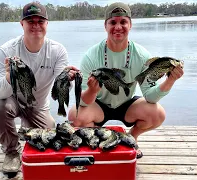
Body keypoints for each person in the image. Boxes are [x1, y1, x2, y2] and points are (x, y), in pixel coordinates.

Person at [68, 2, 184, 159]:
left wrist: (170, 80)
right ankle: (97, 139)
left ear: (130, 25)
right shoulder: (91, 56)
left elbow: (150, 96)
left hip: (127, 105)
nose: (118, 27)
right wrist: (92, 91)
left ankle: (132, 138)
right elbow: (82, 101)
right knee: (75, 115)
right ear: (105, 25)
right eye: (113, 22)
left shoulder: (142, 55)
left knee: (158, 114)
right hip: (99, 104)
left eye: (123, 22)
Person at [0, 2, 78, 174]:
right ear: (22, 24)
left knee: (50, 141)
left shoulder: (57, 51)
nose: (36, 25)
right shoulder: (6, 50)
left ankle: (28, 125)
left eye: (40, 21)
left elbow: (62, 84)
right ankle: (12, 152)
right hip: (12, 101)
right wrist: (10, 76)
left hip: (38, 106)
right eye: (31, 21)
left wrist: (69, 78)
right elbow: (0, 92)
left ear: (47, 24)